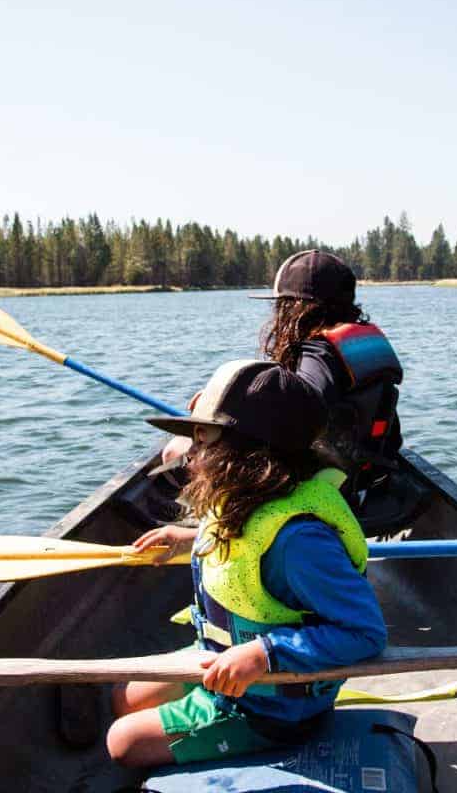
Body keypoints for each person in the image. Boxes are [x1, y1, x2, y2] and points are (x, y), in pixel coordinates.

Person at [106, 359, 387, 768]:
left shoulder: (301, 542)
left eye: (202, 439)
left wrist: (264, 653)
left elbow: (365, 632)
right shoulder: (246, 497)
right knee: (123, 697)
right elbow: (242, 549)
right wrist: (187, 541)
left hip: (271, 704)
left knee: (122, 741)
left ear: (246, 453)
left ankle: (259, 742)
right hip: (222, 661)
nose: (189, 454)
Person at [160, 249, 404, 510]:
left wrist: (223, 411)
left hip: (327, 489)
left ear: (293, 307)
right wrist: (224, 403)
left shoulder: (317, 353)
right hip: (370, 480)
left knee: (175, 450)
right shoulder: (361, 345)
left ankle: (211, 524)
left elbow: (298, 418)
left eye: (278, 305)